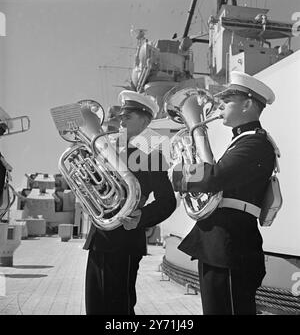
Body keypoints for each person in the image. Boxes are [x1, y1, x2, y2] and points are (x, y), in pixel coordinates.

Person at [171, 71, 276, 315]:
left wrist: (180, 175)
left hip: (231, 244)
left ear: (248, 104)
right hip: (222, 243)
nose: (220, 105)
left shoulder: (255, 143)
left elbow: (214, 177)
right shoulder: (242, 141)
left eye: (227, 100)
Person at [83, 90, 177, 315]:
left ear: (145, 121)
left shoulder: (151, 155)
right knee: (95, 305)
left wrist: (142, 217)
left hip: (125, 238)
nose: (121, 120)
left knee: (118, 308)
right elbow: (93, 186)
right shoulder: (108, 150)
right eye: (121, 116)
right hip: (99, 237)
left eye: (128, 116)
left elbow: (167, 201)